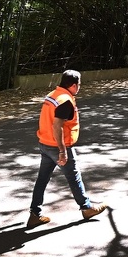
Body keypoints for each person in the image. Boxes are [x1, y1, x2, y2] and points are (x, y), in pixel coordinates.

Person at [27, 69, 107, 229]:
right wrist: (62, 151)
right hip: (58, 146)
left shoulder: (52, 95)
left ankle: (35, 213)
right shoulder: (65, 101)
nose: (79, 88)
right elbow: (57, 126)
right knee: (73, 177)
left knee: (42, 179)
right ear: (73, 85)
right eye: (79, 85)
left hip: (45, 143)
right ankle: (86, 208)